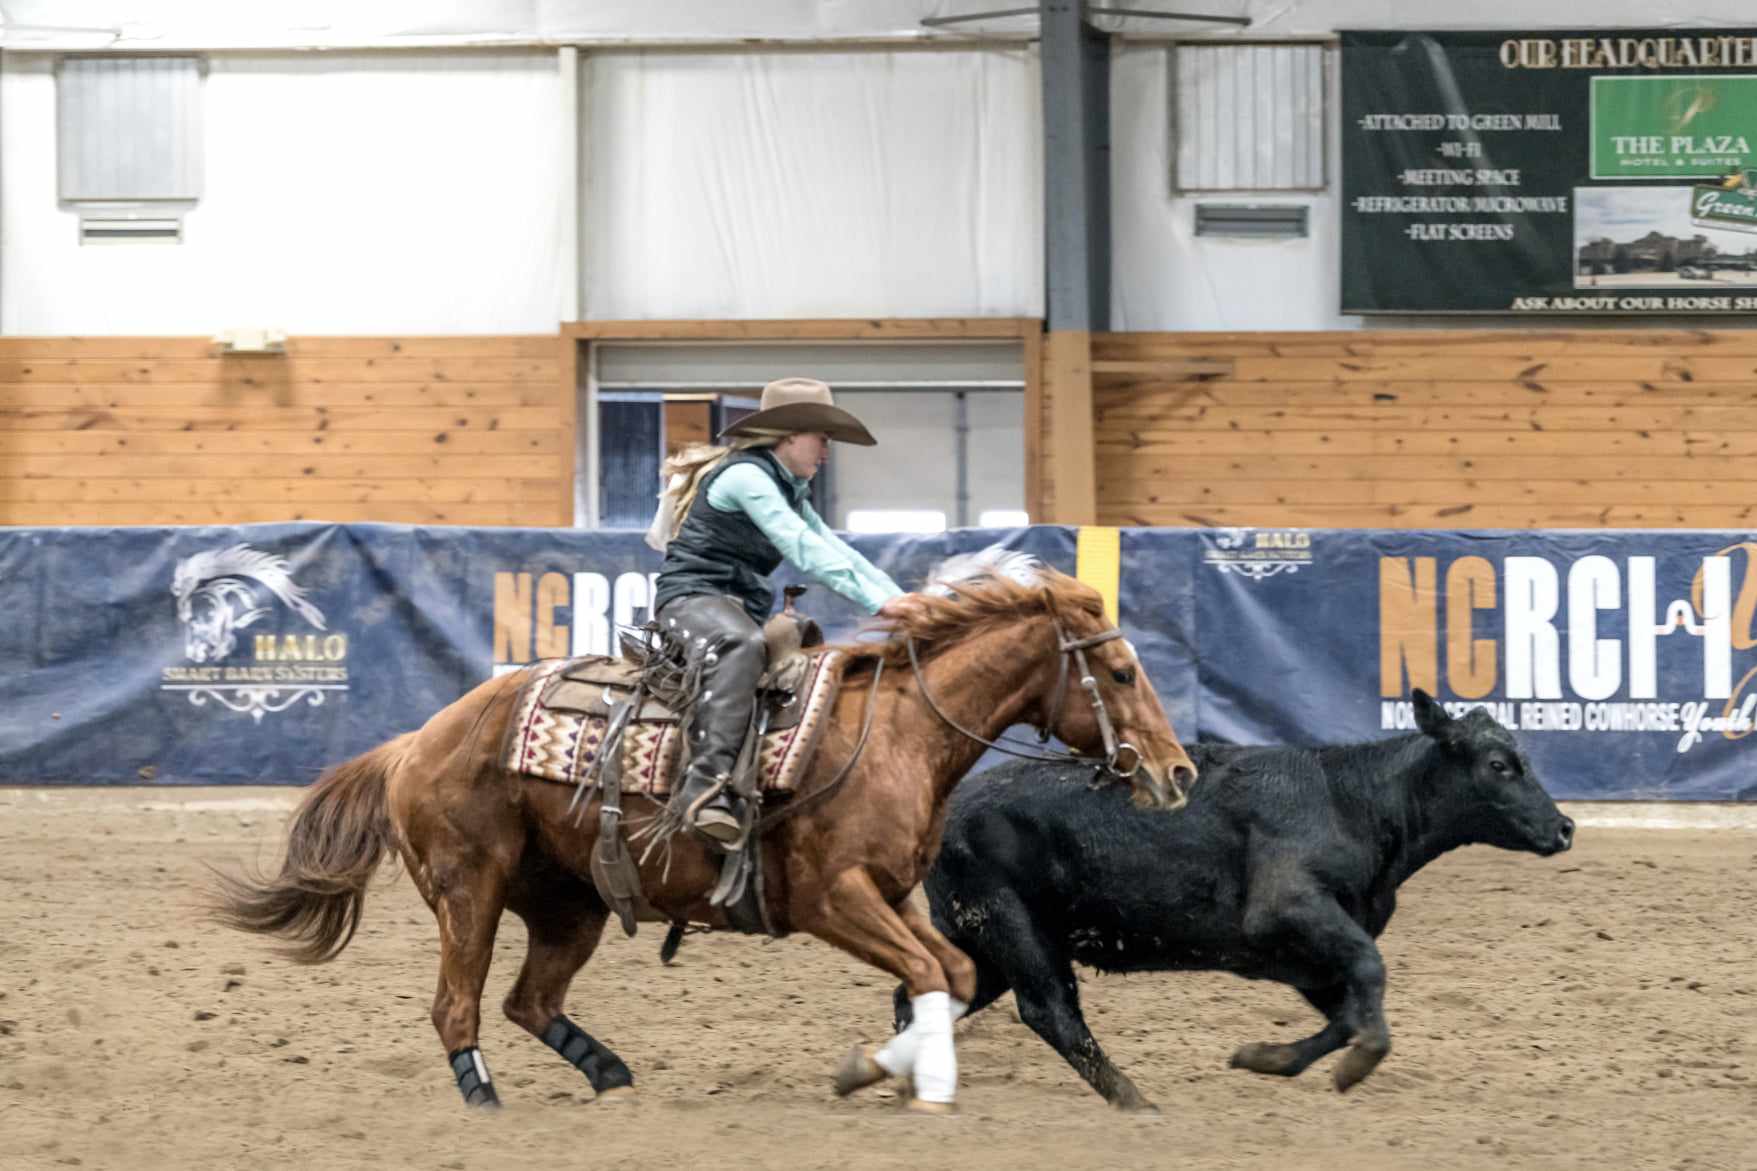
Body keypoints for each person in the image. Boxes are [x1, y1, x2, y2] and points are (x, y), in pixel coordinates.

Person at [646, 377, 914, 848]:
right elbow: (802, 548)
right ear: (789, 436)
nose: (826, 453)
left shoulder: (788, 489)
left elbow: (835, 549)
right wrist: (882, 605)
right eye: (822, 439)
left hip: (730, 606)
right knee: (740, 646)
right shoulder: (746, 477)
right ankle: (703, 790)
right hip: (691, 600)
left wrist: (902, 601)